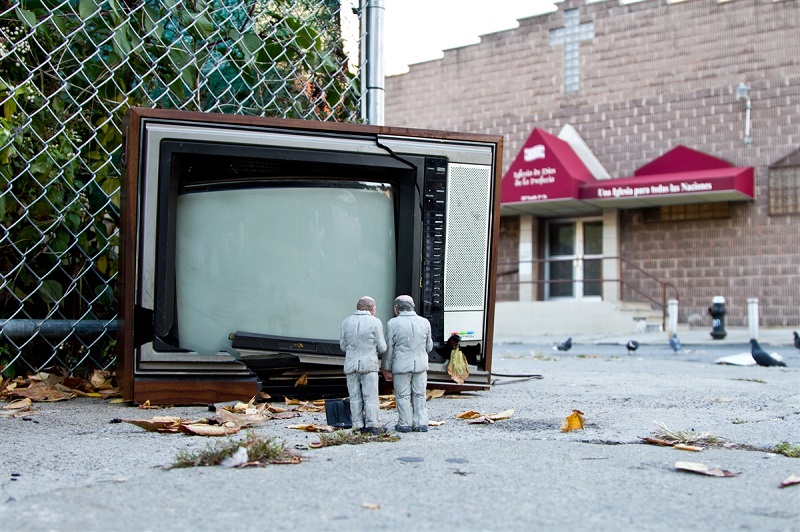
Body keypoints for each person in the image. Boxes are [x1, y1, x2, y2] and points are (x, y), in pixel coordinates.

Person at [381, 295, 433, 433]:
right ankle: (420, 422)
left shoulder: (392, 323)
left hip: (401, 365)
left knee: (403, 395)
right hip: (420, 365)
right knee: (420, 394)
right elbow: (429, 347)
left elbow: (389, 349)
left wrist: (385, 367)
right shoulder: (425, 322)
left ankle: (405, 423)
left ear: (396, 308)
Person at [340, 296, 387, 435]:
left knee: (354, 397)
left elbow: (342, 346)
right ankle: (372, 423)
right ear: (372, 309)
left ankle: (357, 424)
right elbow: (382, 347)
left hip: (351, 364)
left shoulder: (346, 322)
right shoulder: (375, 322)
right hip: (369, 364)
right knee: (370, 396)